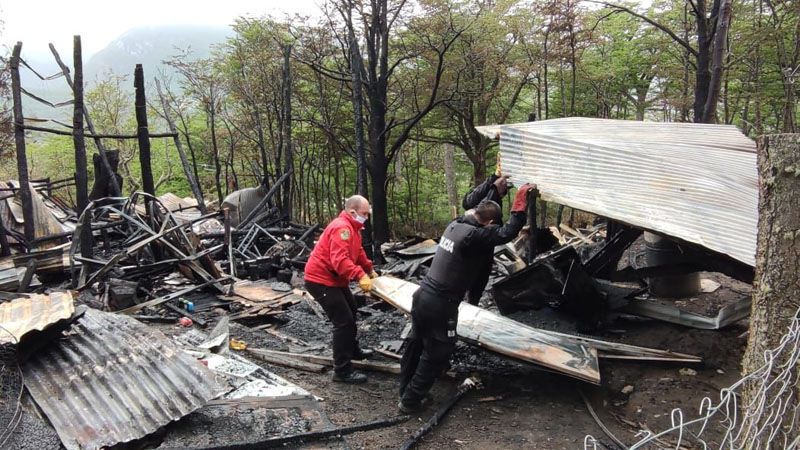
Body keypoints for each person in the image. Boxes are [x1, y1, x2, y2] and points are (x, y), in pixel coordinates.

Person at [398, 184, 535, 413]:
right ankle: (410, 401)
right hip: (441, 304)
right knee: (439, 351)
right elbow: (507, 232)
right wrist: (520, 201)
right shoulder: (473, 236)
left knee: (416, 342)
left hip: (422, 296)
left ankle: (404, 390)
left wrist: (495, 189)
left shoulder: (456, 225)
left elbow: (478, 209)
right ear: (489, 224)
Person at [304, 195, 378, 384]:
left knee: (352, 311)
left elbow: (358, 251)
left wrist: (368, 268)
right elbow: (340, 261)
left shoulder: (354, 228)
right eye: (364, 214)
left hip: (334, 280)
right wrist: (360, 275)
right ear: (352, 212)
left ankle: (353, 351)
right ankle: (342, 371)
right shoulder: (342, 228)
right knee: (343, 322)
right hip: (320, 280)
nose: (366, 218)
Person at [460, 166, 512, 306]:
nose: (505, 188)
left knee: (478, 283)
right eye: (504, 185)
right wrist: (494, 180)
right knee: (473, 281)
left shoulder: (494, 196)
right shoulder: (485, 196)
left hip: (485, 249)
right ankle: (468, 306)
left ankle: (472, 304)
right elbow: (468, 202)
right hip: (476, 247)